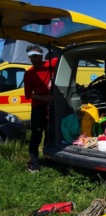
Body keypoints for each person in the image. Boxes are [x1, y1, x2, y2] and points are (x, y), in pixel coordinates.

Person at [24, 44, 57, 173]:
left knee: (50, 133)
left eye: (37, 56)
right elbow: (28, 95)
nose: (35, 59)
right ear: (29, 58)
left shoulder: (51, 64)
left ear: (41, 55)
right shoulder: (29, 73)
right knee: (36, 135)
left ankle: (49, 159)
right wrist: (44, 98)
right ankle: (34, 164)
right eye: (32, 57)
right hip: (38, 108)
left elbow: (64, 56)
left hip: (52, 106)